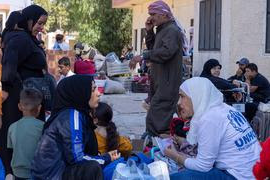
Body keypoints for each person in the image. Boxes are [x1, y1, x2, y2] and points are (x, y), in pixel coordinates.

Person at [164, 77, 261, 180]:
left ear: (196, 96)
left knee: (173, 178)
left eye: (182, 96)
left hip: (239, 176)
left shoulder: (209, 118)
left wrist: (176, 156)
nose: (179, 102)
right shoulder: (225, 108)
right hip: (253, 172)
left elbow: (203, 166)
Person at [32, 75, 120, 180]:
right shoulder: (71, 115)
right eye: (93, 90)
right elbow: (77, 158)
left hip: (57, 172)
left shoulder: (78, 115)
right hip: (51, 176)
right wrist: (106, 158)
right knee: (92, 168)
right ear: (80, 93)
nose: (98, 93)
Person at [0, 5, 48, 175]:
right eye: (39, 23)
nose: (41, 27)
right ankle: (10, 171)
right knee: (15, 135)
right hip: (18, 96)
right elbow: (9, 64)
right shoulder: (21, 39)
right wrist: (5, 89)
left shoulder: (27, 38)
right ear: (29, 20)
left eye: (43, 24)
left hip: (28, 94)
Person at [129, 0, 183, 136]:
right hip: (159, 81)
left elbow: (166, 52)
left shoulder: (172, 30)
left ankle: (156, 146)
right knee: (156, 115)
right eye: (150, 14)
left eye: (153, 14)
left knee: (157, 117)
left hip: (167, 83)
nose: (150, 17)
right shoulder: (163, 30)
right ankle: (153, 144)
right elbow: (154, 49)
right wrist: (149, 32)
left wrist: (143, 56)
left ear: (164, 14)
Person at [7, 88, 44, 180]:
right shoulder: (43, 126)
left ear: (19, 106)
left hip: (17, 172)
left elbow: (10, 150)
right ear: (39, 107)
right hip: (37, 170)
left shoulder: (12, 127)